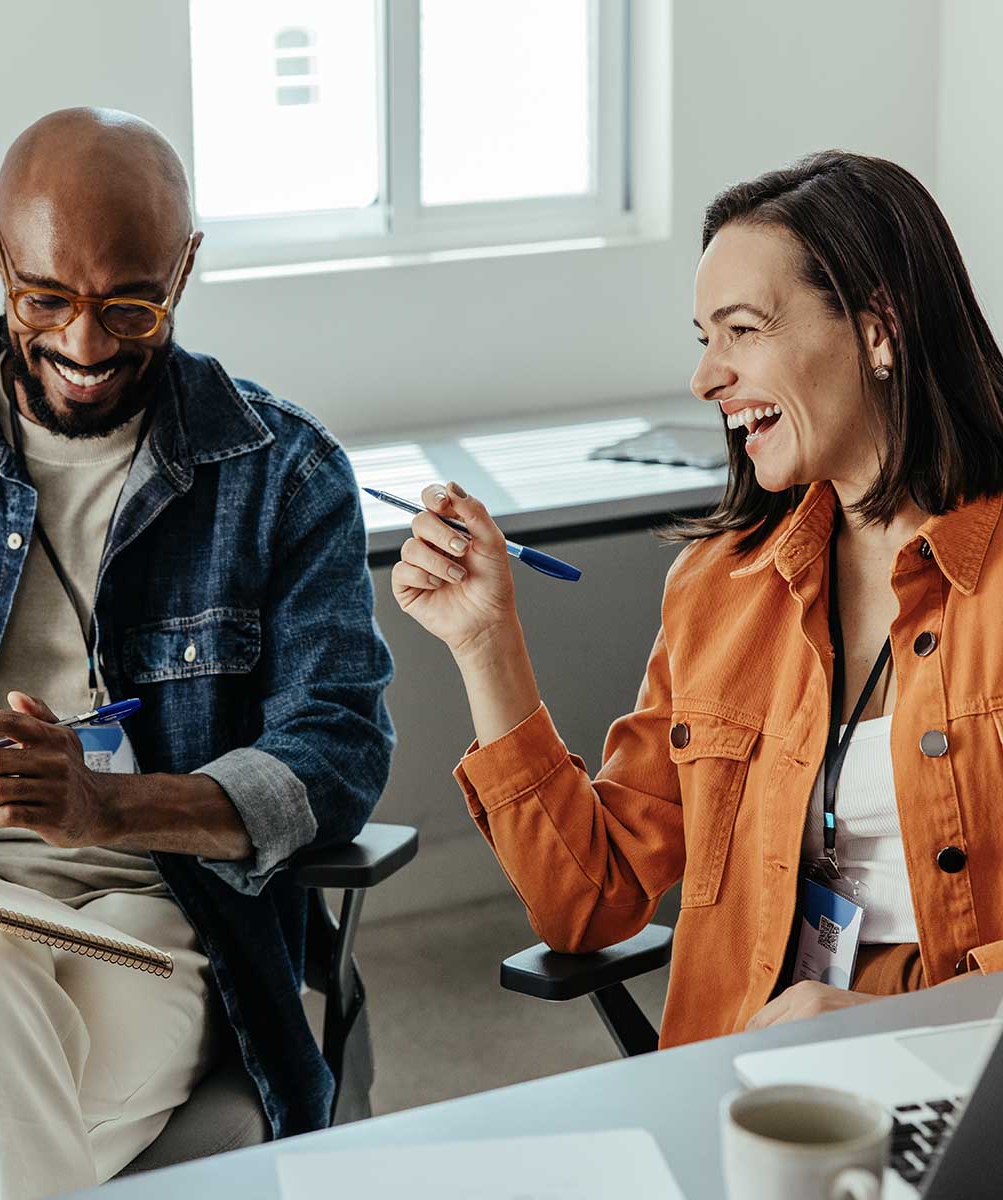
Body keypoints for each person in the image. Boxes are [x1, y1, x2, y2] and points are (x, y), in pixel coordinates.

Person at [0, 107, 394, 1200]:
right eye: (45, 300)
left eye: (133, 305)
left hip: (158, 918)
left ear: (185, 268)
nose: (85, 346)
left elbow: (338, 749)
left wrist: (107, 810)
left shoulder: (283, 476)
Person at [392, 150, 1003, 1047]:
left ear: (880, 328)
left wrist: (908, 1024)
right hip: (747, 1064)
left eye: (742, 330)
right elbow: (588, 905)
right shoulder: (720, 588)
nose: (706, 377)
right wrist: (488, 644)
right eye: (702, 338)